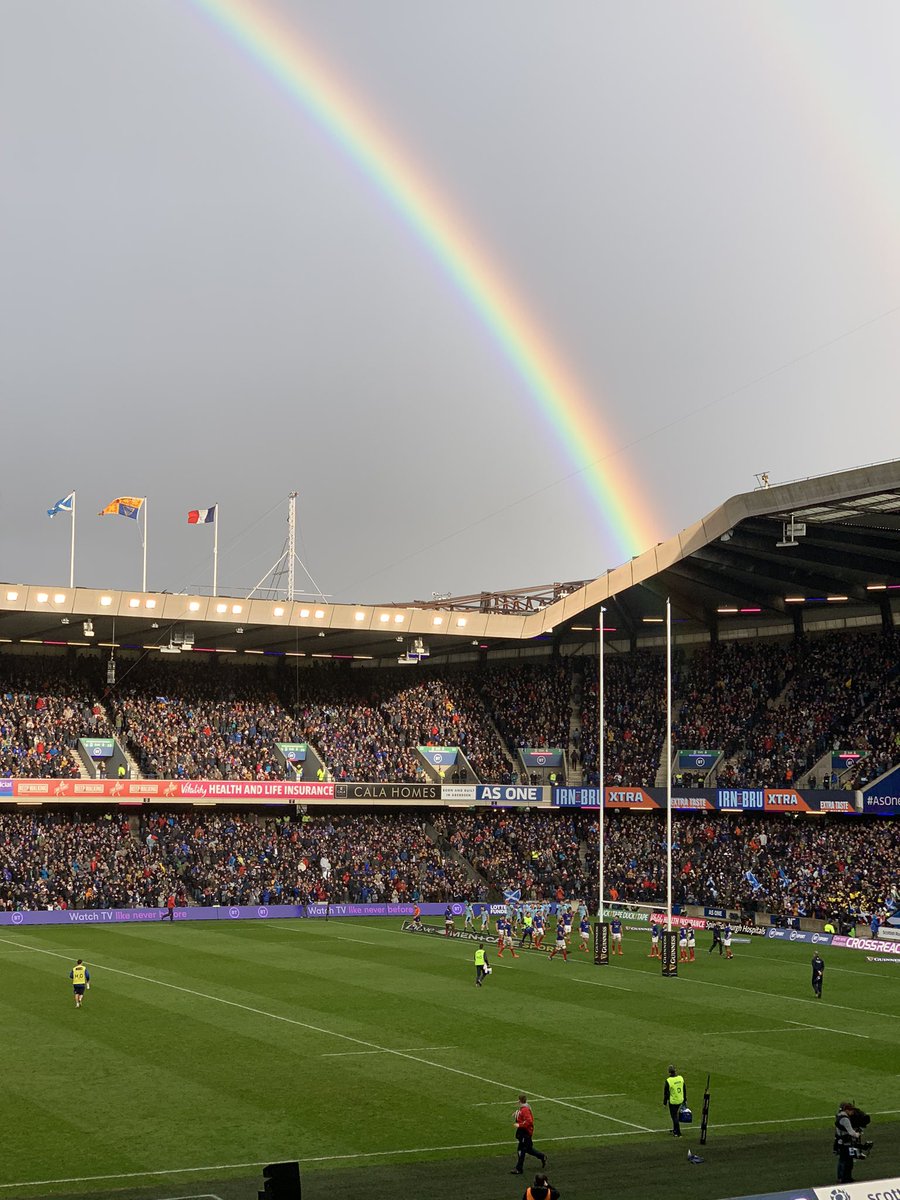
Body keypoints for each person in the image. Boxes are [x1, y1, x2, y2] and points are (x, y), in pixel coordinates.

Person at [512, 1094, 547, 1175]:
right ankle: (542, 1156)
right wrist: (516, 1113)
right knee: (528, 1149)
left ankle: (519, 1168)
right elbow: (522, 1114)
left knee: (521, 1150)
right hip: (524, 1132)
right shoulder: (524, 1108)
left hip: (525, 1132)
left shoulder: (525, 1109)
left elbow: (529, 1121)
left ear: (519, 1100)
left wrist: (519, 1125)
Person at [834, 1101, 867, 1184]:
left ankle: (841, 1177)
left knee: (842, 1160)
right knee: (848, 1161)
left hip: (840, 1142)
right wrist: (858, 1134)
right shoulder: (845, 1119)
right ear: (847, 1110)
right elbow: (851, 1132)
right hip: (846, 1143)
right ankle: (846, 1178)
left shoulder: (839, 1116)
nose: (852, 1112)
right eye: (851, 1110)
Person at [663, 1065, 686, 1137]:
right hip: (680, 1099)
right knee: (675, 1115)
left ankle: (678, 1132)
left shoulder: (668, 1081)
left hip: (673, 1101)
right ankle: (675, 1129)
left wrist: (664, 1102)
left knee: (674, 1116)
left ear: (669, 1072)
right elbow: (684, 1089)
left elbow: (666, 1093)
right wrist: (685, 1099)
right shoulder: (680, 1078)